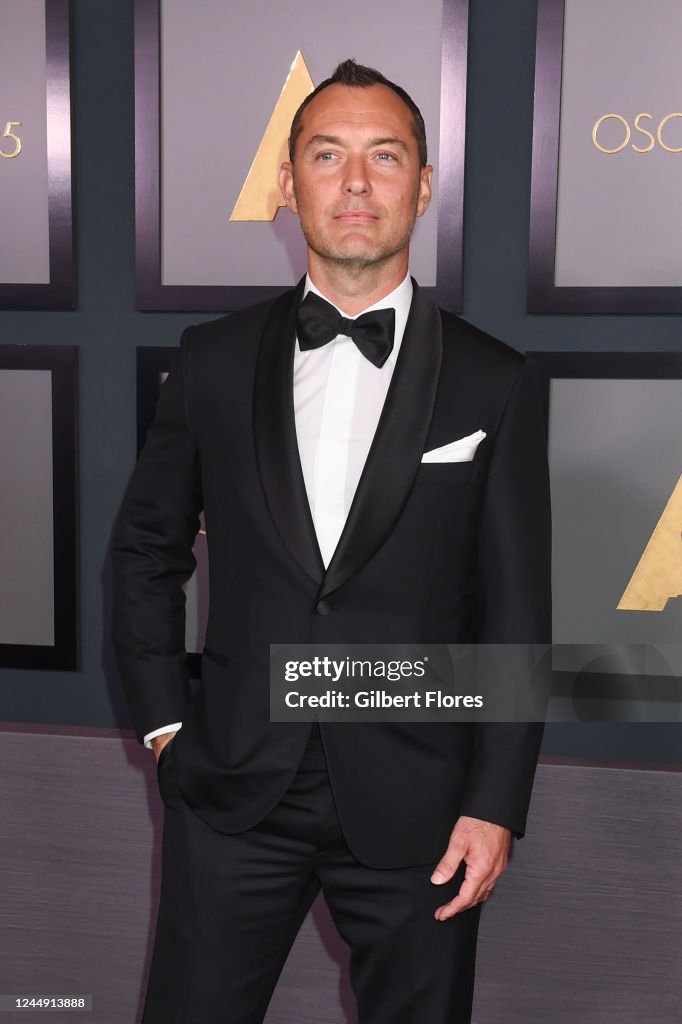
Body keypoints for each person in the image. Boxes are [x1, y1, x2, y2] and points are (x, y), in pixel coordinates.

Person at [112, 59, 551, 1024]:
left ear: (424, 184)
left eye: (384, 156)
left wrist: (496, 801)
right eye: (328, 155)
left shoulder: (496, 380)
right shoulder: (211, 361)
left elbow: (517, 608)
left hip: (424, 807)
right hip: (231, 795)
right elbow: (147, 551)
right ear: (289, 183)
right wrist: (167, 730)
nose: (356, 184)